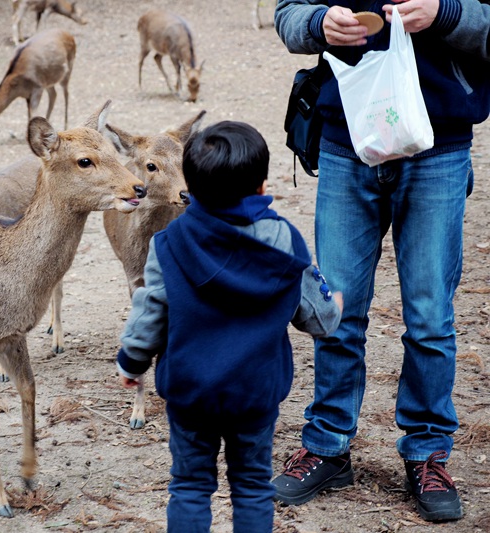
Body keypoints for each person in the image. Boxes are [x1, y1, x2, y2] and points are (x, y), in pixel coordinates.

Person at [272, 0, 490, 523]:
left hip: (438, 147)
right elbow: (288, 14)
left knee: (430, 316)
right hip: (348, 143)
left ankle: (428, 453)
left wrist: (446, 14)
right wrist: (316, 22)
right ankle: (328, 445)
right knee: (336, 310)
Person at [115, 120, 342, 533]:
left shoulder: (170, 242)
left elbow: (150, 309)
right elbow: (319, 319)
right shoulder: (285, 240)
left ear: (192, 187)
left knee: (189, 486)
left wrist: (132, 362)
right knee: (253, 487)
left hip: (190, 393)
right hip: (254, 394)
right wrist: (334, 304)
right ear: (261, 186)